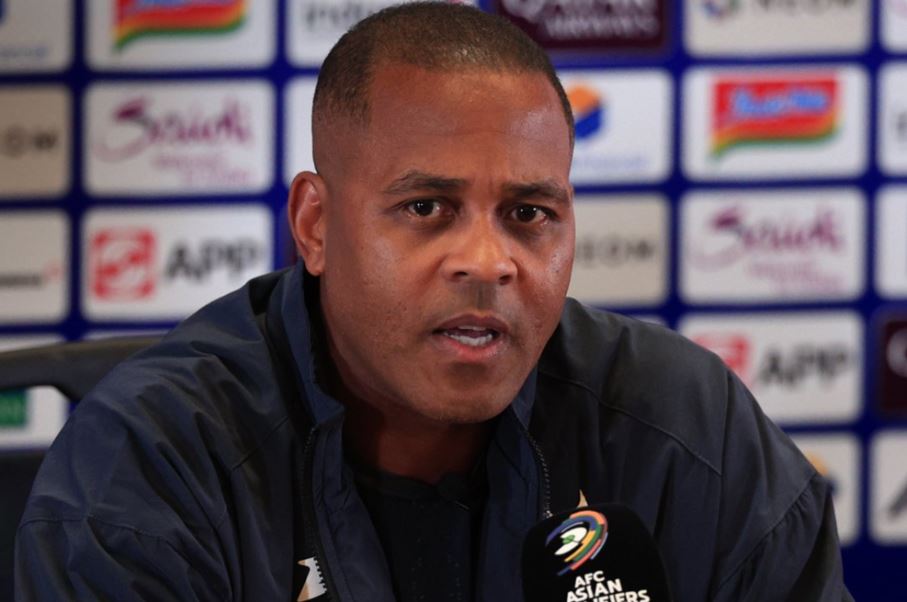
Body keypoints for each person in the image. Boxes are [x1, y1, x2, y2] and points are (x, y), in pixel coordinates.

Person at [16, 3, 851, 601]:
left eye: (528, 214)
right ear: (315, 225)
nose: (487, 262)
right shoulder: (153, 461)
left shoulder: (686, 429)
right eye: (425, 208)